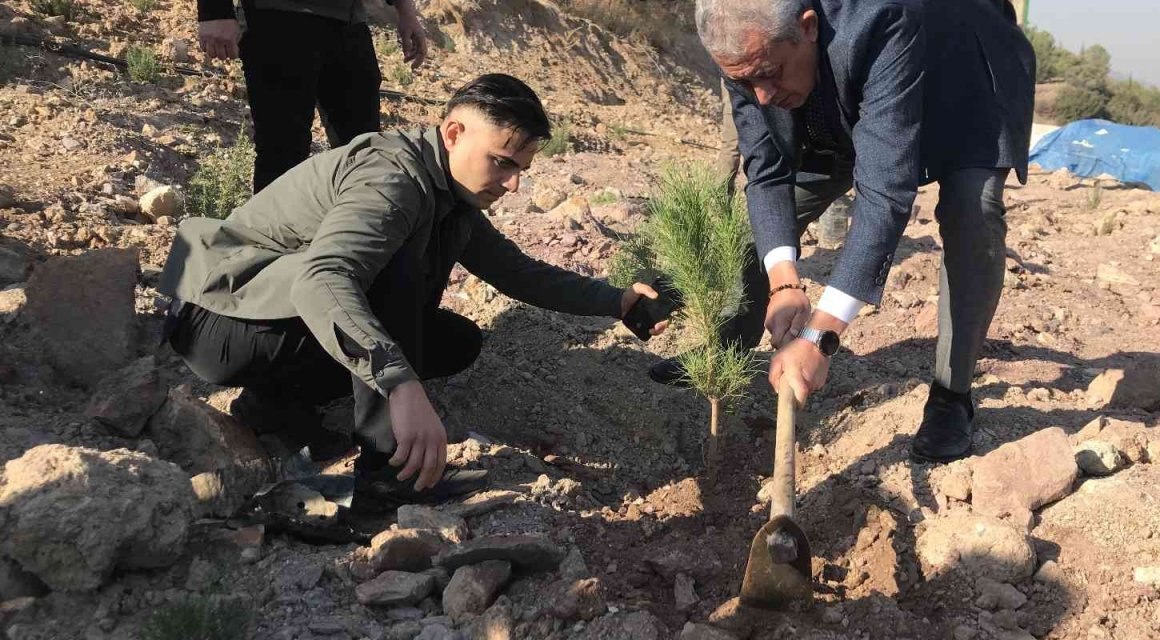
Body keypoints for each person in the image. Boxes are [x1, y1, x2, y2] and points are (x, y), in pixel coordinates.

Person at [158, 74, 668, 510]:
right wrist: (399, 383)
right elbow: (324, 279)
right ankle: (387, 475)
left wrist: (614, 300)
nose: (512, 185)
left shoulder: (452, 191)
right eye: (502, 163)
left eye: (520, 170)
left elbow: (515, 272)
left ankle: (273, 406)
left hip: (266, 318)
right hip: (217, 319)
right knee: (388, 278)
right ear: (453, 133)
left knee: (453, 342)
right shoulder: (393, 179)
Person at [671, 0, 1035, 463]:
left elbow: (884, 190)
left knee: (972, 211)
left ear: (807, 27)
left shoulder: (876, 18)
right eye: (745, 82)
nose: (760, 96)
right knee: (762, 228)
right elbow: (767, 172)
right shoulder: (745, 45)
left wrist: (820, 335)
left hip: (961, 68)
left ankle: (951, 395)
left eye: (769, 74)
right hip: (839, 83)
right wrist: (784, 282)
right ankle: (727, 352)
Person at [196, 0, 429, 192]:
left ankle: (350, 234)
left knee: (365, 152)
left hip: (349, 20)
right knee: (283, 153)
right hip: (277, 16)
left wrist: (405, 10)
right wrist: (214, 10)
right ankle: (269, 235)